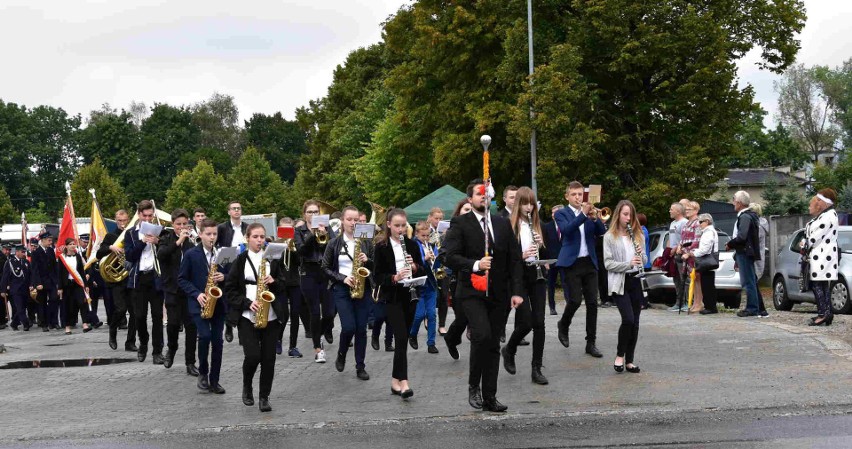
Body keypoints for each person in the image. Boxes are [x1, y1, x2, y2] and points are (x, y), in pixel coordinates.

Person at [443, 180, 524, 412]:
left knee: (492, 344)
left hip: (498, 293)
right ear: (470, 199)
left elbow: (514, 259)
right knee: (482, 335)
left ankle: (490, 395)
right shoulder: (461, 223)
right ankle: (473, 387)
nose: (483, 197)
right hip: (471, 291)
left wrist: (517, 291)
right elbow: (449, 256)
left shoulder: (502, 223)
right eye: (478, 194)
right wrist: (476, 264)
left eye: (486, 193)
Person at [225, 223, 286, 412]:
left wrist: (274, 281)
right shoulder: (240, 260)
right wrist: (246, 302)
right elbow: (230, 289)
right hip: (247, 314)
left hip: (271, 314)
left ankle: (264, 397)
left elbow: (286, 283)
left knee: (269, 359)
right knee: (252, 356)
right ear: (247, 238)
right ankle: (247, 386)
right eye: (256, 237)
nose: (260, 240)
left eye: (262, 237)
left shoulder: (273, 259)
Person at [374, 208, 424, 398]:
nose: (401, 229)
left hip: (409, 295)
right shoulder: (381, 247)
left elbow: (421, 268)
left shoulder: (411, 245)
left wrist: (414, 267)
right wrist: (395, 277)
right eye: (397, 226)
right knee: (401, 338)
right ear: (388, 225)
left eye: (403, 225)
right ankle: (404, 382)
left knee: (403, 339)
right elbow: (378, 276)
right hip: (392, 297)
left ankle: (395, 381)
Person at [501, 187, 549, 385]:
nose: (529, 207)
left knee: (540, 323)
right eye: (525, 203)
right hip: (518, 277)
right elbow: (505, 260)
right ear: (518, 204)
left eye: (531, 203)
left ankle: (536, 368)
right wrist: (522, 255)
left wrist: (541, 246)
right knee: (526, 322)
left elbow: (547, 254)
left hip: (536, 275)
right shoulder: (509, 226)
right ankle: (509, 348)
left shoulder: (537, 225)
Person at [555, 181, 607, 358]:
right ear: (567, 196)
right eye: (574, 194)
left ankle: (590, 343)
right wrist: (583, 215)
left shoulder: (589, 212)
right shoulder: (562, 213)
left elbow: (602, 232)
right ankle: (564, 324)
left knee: (593, 303)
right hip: (572, 262)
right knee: (575, 300)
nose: (578, 197)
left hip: (589, 262)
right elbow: (567, 231)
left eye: (580, 194)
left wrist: (595, 218)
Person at [322, 206, 374, 380]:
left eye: (356, 220)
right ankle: (342, 353)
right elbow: (325, 267)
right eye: (349, 219)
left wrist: (368, 260)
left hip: (363, 287)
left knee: (361, 329)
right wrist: (342, 278)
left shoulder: (366, 241)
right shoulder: (333, 243)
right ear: (342, 221)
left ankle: (360, 366)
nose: (353, 223)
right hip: (342, 288)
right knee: (349, 327)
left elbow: (377, 265)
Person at [179, 218, 226, 388]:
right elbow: (182, 279)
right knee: (205, 336)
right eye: (208, 234)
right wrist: (197, 294)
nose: (212, 237)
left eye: (214, 234)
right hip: (199, 303)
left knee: (218, 341)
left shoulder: (222, 254)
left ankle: (215, 380)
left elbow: (231, 275)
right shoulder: (192, 254)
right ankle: (203, 372)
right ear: (200, 234)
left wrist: (224, 276)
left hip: (218, 304)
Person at [603, 200, 646, 374]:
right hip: (620, 282)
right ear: (618, 215)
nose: (628, 218)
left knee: (635, 322)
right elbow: (608, 264)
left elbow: (644, 259)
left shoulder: (638, 235)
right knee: (627, 319)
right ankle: (619, 355)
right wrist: (628, 264)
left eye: (630, 215)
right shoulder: (609, 236)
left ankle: (630, 360)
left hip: (636, 280)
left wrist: (641, 257)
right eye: (625, 214)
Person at [296, 200, 336, 363]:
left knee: (330, 313)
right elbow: (302, 251)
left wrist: (324, 234)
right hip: (309, 272)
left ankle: (320, 332)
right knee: (314, 312)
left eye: (315, 212)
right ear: (304, 214)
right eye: (310, 212)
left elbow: (333, 247)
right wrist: (313, 235)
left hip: (325, 272)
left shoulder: (327, 228)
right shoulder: (299, 230)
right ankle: (318, 349)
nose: (313, 215)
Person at [158, 209, 198, 372]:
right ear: (172, 225)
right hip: (172, 289)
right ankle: (172, 349)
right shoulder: (166, 239)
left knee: (191, 327)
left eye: (185, 224)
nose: (182, 227)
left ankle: (190, 362)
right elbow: (162, 255)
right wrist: (177, 242)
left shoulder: (191, 242)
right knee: (173, 324)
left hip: (188, 290)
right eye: (178, 224)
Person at [125, 200, 164, 364]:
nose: (148, 219)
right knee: (139, 316)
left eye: (150, 215)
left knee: (157, 316)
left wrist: (158, 242)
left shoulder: (160, 232)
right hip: (139, 278)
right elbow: (129, 256)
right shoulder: (131, 233)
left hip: (155, 277)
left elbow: (167, 253)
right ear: (139, 215)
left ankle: (157, 351)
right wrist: (143, 242)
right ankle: (143, 344)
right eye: (145, 216)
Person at [441, 198, 474, 360]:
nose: (469, 213)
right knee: (462, 317)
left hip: (477, 279)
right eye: (465, 210)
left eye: (471, 210)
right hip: (458, 279)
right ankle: (451, 339)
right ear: (459, 213)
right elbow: (446, 255)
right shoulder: (453, 232)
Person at [101, 210, 138, 352]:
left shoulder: (132, 235)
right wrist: (111, 247)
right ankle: (112, 329)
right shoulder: (110, 236)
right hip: (117, 280)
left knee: (135, 312)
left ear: (128, 220)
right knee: (121, 309)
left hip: (130, 277)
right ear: (116, 220)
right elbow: (100, 252)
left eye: (125, 221)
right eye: (120, 221)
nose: (122, 223)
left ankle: (130, 342)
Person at [803, 189, 840, 326]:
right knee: (823, 285)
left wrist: (804, 244)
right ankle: (827, 313)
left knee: (817, 284)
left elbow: (815, 237)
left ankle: (822, 314)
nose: (816, 202)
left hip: (822, 256)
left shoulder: (827, 216)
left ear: (823, 202)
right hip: (824, 255)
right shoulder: (829, 215)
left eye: (818, 200)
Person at [216, 201, 248, 344]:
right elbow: (216, 244)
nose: (236, 211)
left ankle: (242, 330)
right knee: (228, 296)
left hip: (243, 262)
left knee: (243, 294)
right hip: (227, 262)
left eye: (238, 208)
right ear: (229, 211)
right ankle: (228, 325)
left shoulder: (247, 227)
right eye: (234, 209)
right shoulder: (222, 227)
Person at [726, 191, 761, 317]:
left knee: (748, 281)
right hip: (747, 251)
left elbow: (742, 237)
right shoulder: (748, 216)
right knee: (750, 280)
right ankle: (756, 308)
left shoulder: (745, 217)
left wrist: (730, 244)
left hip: (745, 252)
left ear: (739, 203)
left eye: (734, 200)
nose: (733, 203)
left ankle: (752, 308)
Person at [277, 217, 308, 358]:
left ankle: (292, 346)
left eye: (289, 230)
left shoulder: (296, 244)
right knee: (283, 314)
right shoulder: (275, 245)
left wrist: (292, 248)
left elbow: (299, 262)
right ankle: (278, 340)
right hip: (281, 284)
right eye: (284, 229)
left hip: (295, 283)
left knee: (295, 315)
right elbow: (274, 264)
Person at [410, 221, 440, 354]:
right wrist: (424, 258)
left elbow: (437, 262)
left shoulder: (431, 244)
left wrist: (436, 259)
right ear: (417, 234)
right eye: (423, 236)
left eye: (428, 236)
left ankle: (431, 343)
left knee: (432, 315)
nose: (426, 239)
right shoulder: (413, 245)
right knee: (419, 315)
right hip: (419, 285)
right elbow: (412, 264)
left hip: (431, 285)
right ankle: (412, 334)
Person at [684, 214, 719, 315]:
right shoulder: (708, 232)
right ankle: (710, 306)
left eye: (700, 222)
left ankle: (710, 307)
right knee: (707, 284)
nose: (699, 224)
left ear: (707, 221)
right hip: (708, 259)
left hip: (707, 260)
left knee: (707, 284)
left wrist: (692, 253)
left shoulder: (708, 232)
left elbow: (704, 249)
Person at [57, 238, 92, 335]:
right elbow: (59, 273)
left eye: (74, 244)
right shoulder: (62, 258)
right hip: (67, 285)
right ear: (67, 246)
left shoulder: (78, 257)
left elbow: (81, 272)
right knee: (68, 306)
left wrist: (86, 285)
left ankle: (85, 324)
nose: (73, 246)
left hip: (78, 284)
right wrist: (60, 287)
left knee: (82, 303)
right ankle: (67, 326)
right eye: (71, 244)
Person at [426, 207, 449, 336]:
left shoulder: (444, 232)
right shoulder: (425, 230)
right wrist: (431, 239)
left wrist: (446, 236)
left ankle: (442, 325)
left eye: (441, 219)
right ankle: (428, 318)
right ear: (430, 218)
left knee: (444, 297)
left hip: (442, 267)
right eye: (436, 218)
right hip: (429, 266)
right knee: (432, 296)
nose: (438, 221)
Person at [30, 231, 59, 331]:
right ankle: (44, 324)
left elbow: (54, 266)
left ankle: (54, 322)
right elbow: (34, 270)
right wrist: (37, 283)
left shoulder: (51, 251)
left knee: (54, 300)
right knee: (42, 303)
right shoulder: (36, 253)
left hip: (51, 281)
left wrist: (57, 281)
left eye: (51, 240)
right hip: (41, 282)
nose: (50, 242)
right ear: (42, 241)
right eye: (49, 240)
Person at [542, 205, 568, 316]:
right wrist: (545, 261)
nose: (553, 215)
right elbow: (544, 244)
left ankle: (569, 306)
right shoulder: (547, 227)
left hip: (565, 259)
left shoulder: (567, 225)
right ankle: (552, 307)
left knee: (566, 283)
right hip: (551, 259)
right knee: (551, 284)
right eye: (552, 213)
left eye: (556, 212)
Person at [666, 203, 688, 312]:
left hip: (681, 254)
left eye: (671, 209)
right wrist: (668, 249)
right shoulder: (672, 223)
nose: (669, 211)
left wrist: (676, 248)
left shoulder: (684, 222)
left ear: (678, 211)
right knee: (676, 279)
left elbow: (685, 238)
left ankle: (684, 303)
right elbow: (671, 237)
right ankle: (678, 302)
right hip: (673, 255)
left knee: (683, 278)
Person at [750, 203, 770, 317]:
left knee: (753, 283)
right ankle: (758, 308)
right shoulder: (760, 224)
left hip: (756, 258)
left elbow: (754, 241)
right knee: (753, 283)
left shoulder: (758, 226)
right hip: (757, 257)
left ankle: (761, 309)